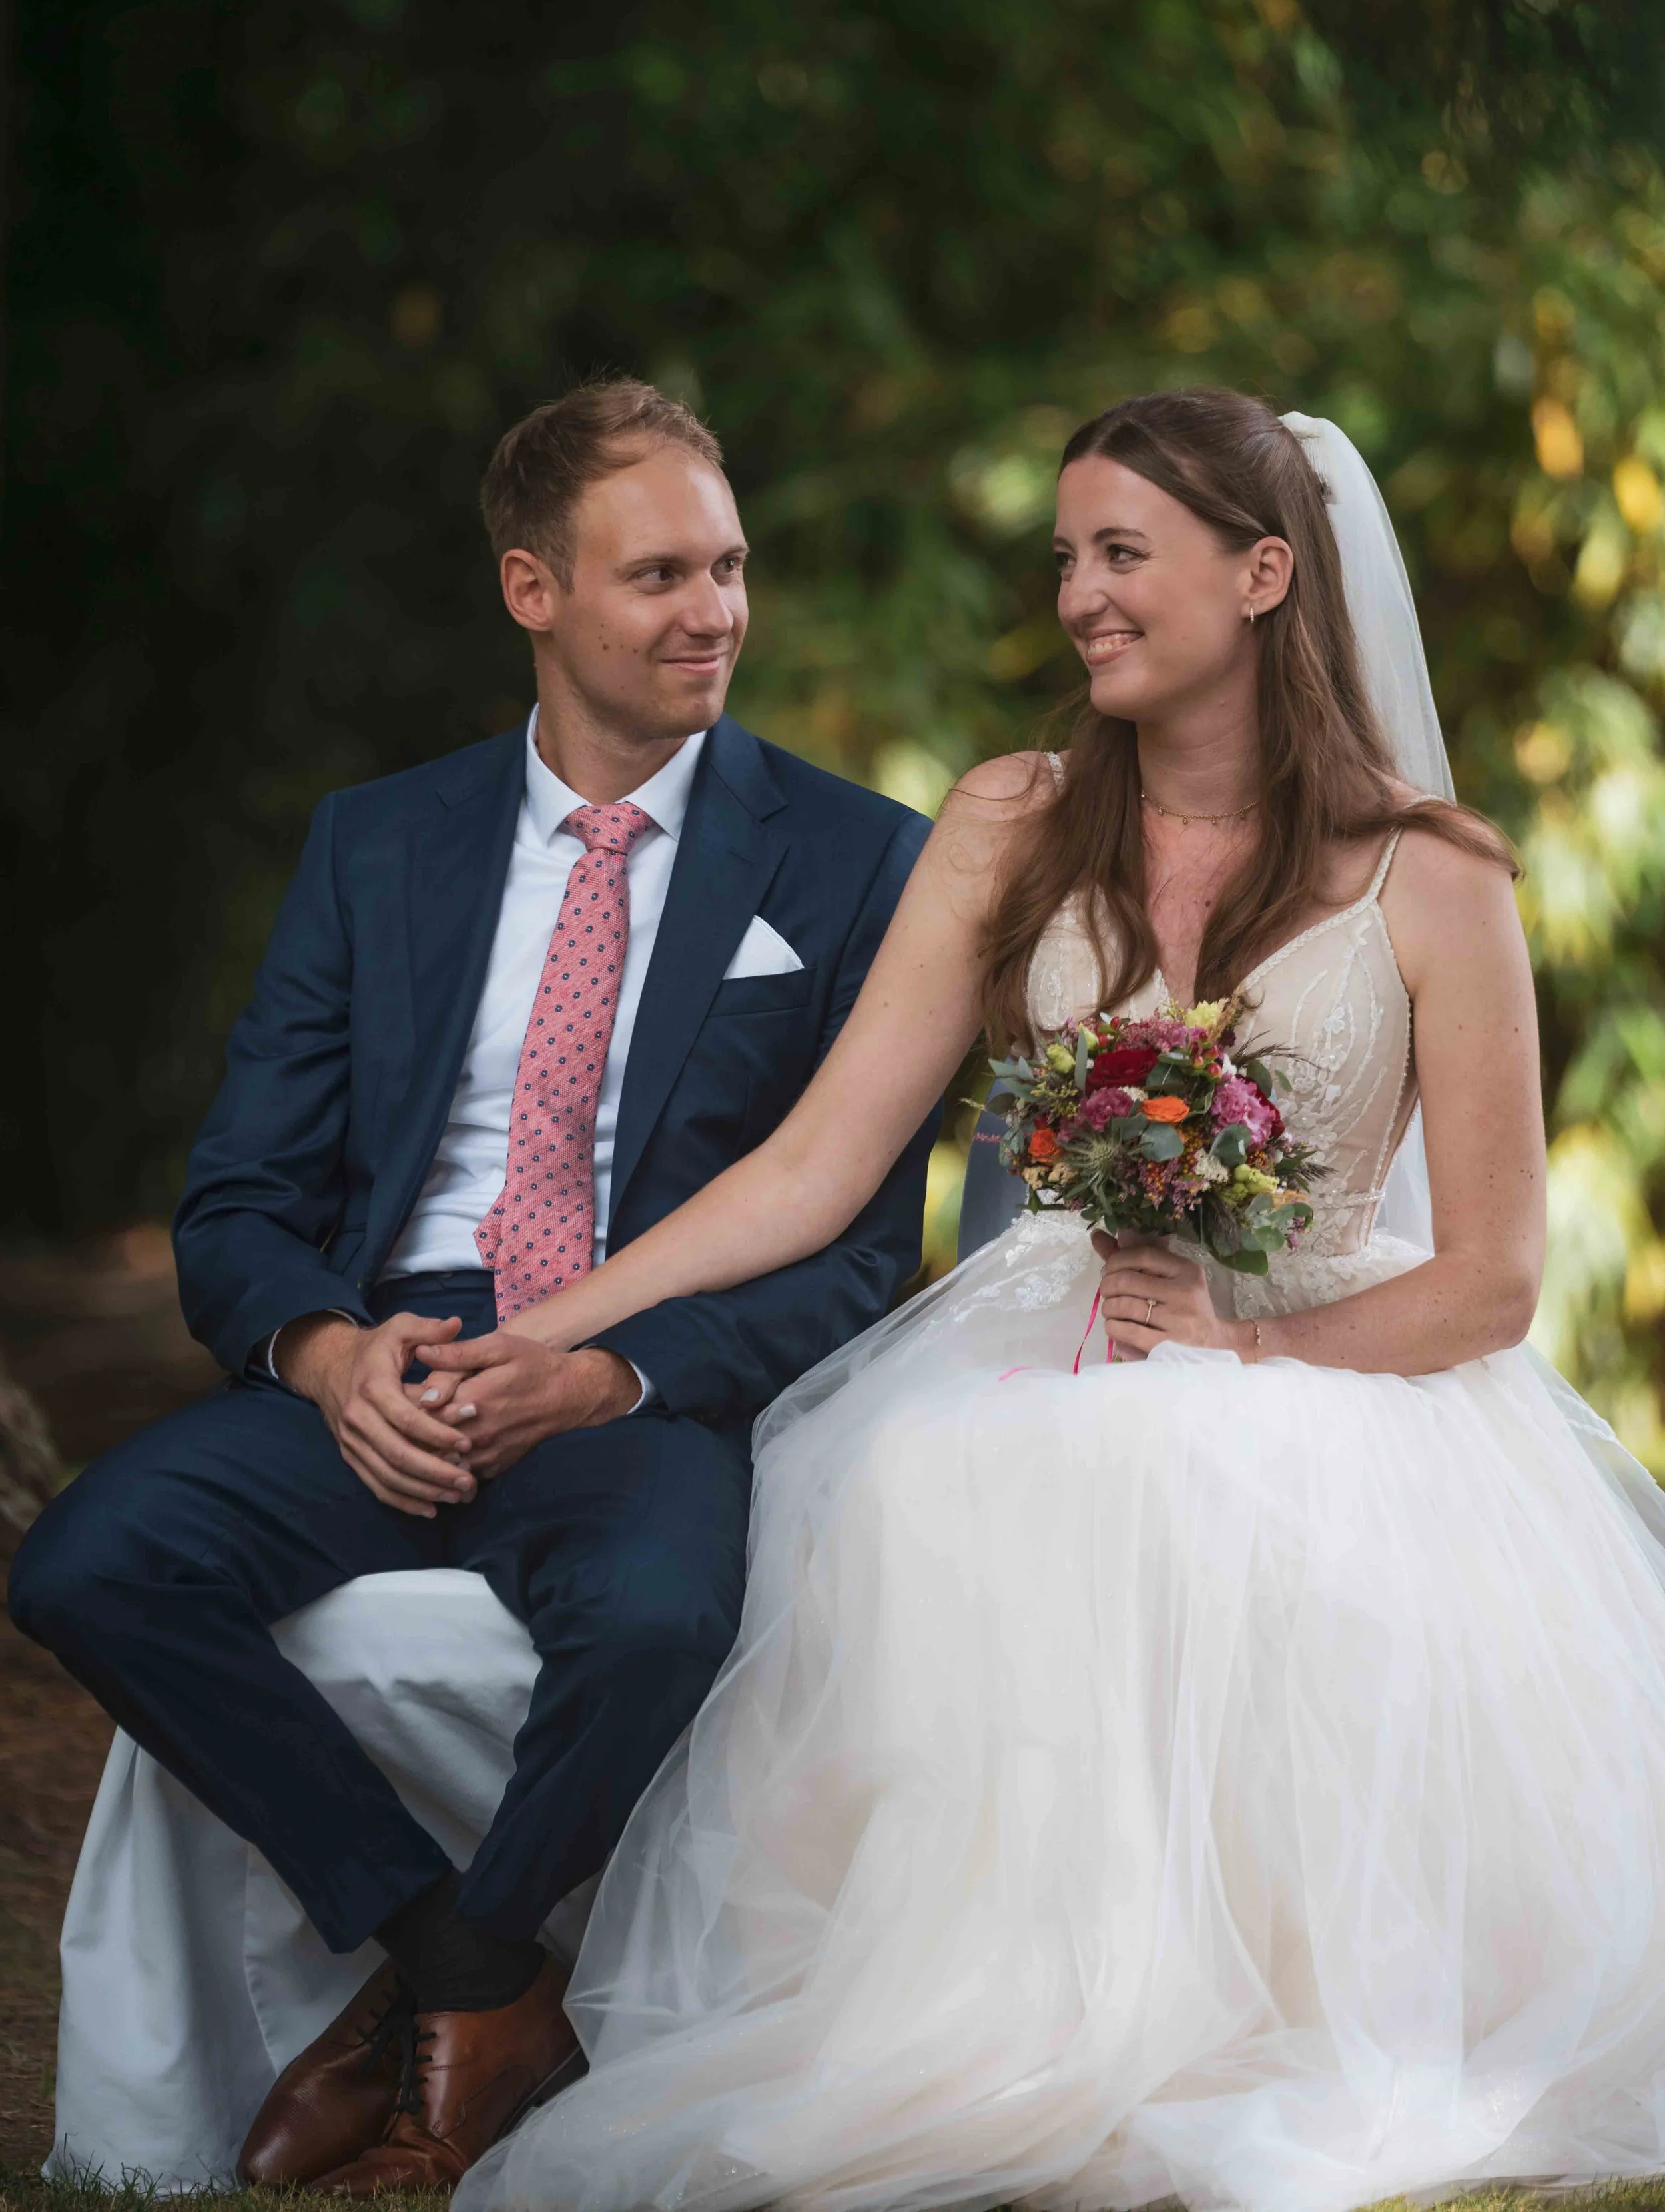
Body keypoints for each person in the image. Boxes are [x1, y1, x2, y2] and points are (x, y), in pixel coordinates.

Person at [435, 390, 1665, 2212]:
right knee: (925, 1480)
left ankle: (1215, 2027)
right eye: (1068, 557)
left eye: (1120, 554)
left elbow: (1488, 1277)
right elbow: (814, 1162)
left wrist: (1250, 1349)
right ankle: (987, 2019)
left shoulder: (1433, 868)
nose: (1079, 595)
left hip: (1335, 1352)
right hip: (1054, 1321)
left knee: (1194, 1480)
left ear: (1261, 575)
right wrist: (545, 1328)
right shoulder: (1011, 819)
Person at [7, 379, 936, 2197]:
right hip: (392, 1355)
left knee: (663, 1615)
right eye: (660, 572)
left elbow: (859, 1252)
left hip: (635, 1375)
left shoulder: (854, 857)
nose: (715, 612)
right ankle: (467, 1971)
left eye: (731, 568)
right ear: (531, 589)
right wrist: (328, 1345)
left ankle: (419, 1995)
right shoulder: (379, 843)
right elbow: (239, 1199)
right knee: (86, 1560)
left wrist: (616, 1377)